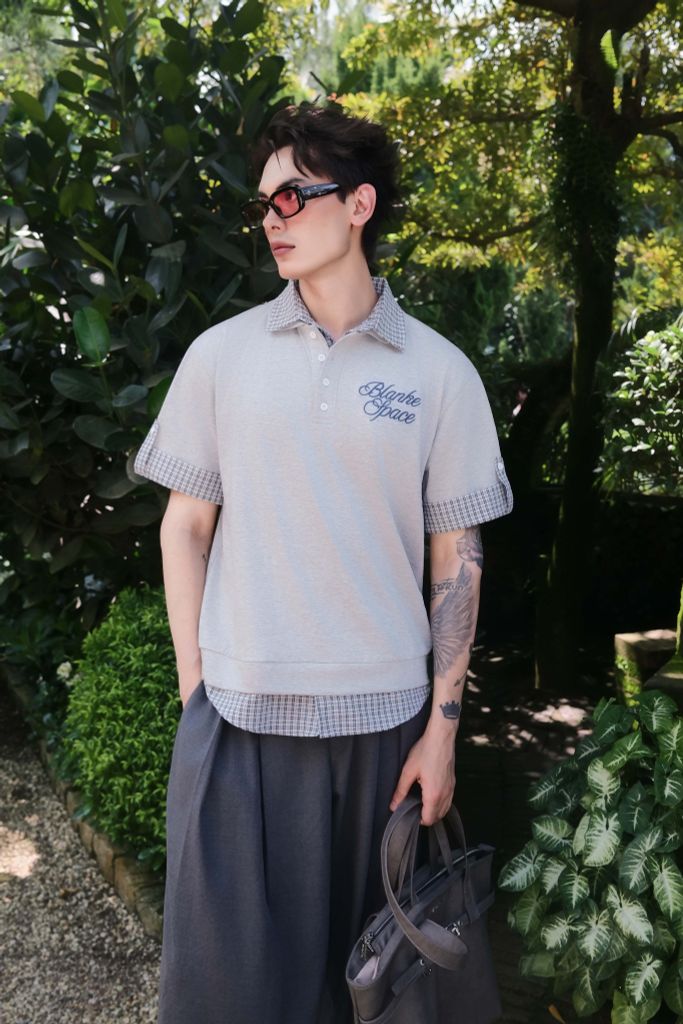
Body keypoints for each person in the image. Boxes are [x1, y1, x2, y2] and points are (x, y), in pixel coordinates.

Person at [133, 101, 513, 1024]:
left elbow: (456, 559)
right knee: (227, 999)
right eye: (262, 203)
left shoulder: (440, 373)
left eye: (292, 197)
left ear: (358, 205)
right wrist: (195, 694)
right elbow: (184, 528)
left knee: (372, 998)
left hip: (384, 735)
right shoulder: (220, 357)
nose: (271, 219)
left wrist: (442, 733)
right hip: (238, 725)